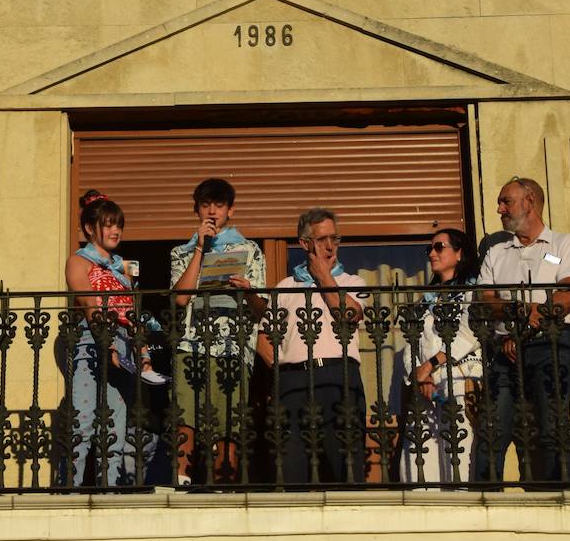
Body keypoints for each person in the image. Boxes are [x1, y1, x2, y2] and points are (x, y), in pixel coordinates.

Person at [476, 178, 570, 484]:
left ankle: (559, 497)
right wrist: (520, 311)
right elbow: (484, 301)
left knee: (553, 427)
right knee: (492, 429)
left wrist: (536, 313)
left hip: (551, 343)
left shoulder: (561, 245)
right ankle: (485, 502)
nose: (499, 209)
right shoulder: (496, 252)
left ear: (530, 201)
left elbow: (569, 293)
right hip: (505, 349)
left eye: (505, 201)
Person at [256, 207, 367, 485]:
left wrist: (324, 278)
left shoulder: (353, 281)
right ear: (305, 244)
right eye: (322, 240)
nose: (330, 246)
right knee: (291, 471)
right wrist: (282, 373)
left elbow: (350, 315)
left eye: (335, 238)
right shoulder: (285, 286)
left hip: (338, 377)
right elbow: (263, 340)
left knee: (346, 469)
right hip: (292, 381)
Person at [169, 178, 267, 485]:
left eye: (219, 205)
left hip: (232, 348)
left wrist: (249, 291)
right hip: (191, 345)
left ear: (231, 210)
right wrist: (200, 248)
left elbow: (263, 310)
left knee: (229, 423)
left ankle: (224, 484)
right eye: (206, 205)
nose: (212, 211)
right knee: (186, 417)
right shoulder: (181, 252)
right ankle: (182, 481)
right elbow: (181, 298)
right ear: (196, 210)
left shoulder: (250, 250)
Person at [62, 190, 152, 487]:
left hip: (124, 346)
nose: (116, 230)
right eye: (109, 224)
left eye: (119, 225)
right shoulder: (79, 261)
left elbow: (133, 311)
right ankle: (71, 490)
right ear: (90, 228)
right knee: (83, 421)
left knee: (116, 423)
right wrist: (108, 343)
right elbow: (89, 306)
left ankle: (109, 490)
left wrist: (144, 352)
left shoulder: (125, 267)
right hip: (92, 344)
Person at [396, 228, 482, 485]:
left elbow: (469, 334)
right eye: (429, 249)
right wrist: (419, 375)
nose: (432, 253)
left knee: (459, 458)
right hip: (425, 388)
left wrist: (430, 365)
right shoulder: (425, 300)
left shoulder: (473, 292)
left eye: (439, 247)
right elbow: (411, 342)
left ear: (459, 253)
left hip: (459, 381)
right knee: (419, 463)